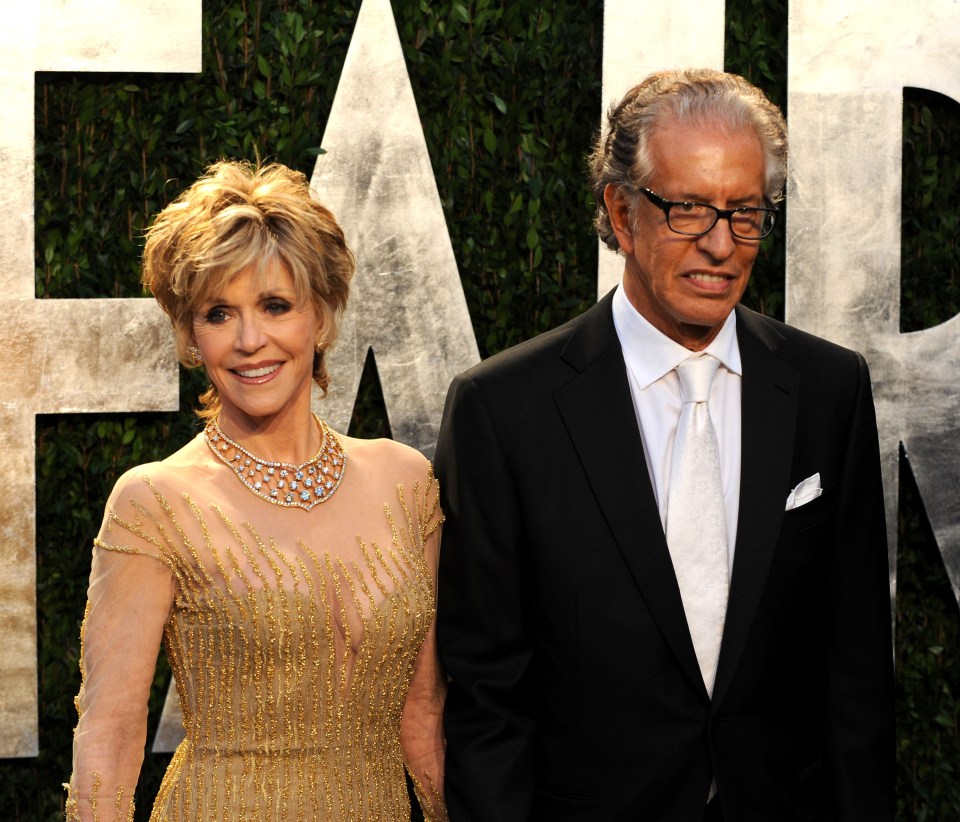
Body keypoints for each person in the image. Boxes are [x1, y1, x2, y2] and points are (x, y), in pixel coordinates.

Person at [435, 69, 894, 821]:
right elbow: (488, 696)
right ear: (621, 210)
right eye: (688, 210)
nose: (721, 245)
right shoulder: (502, 410)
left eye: (744, 213)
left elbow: (856, 673)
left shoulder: (827, 390)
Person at [65, 160, 447, 822]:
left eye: (275, 306)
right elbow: (111, 731)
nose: (250, 341)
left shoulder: (405, 480)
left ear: (322, 318)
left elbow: (424, 713)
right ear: (191, 335)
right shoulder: (154, 501)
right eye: (219, 313)